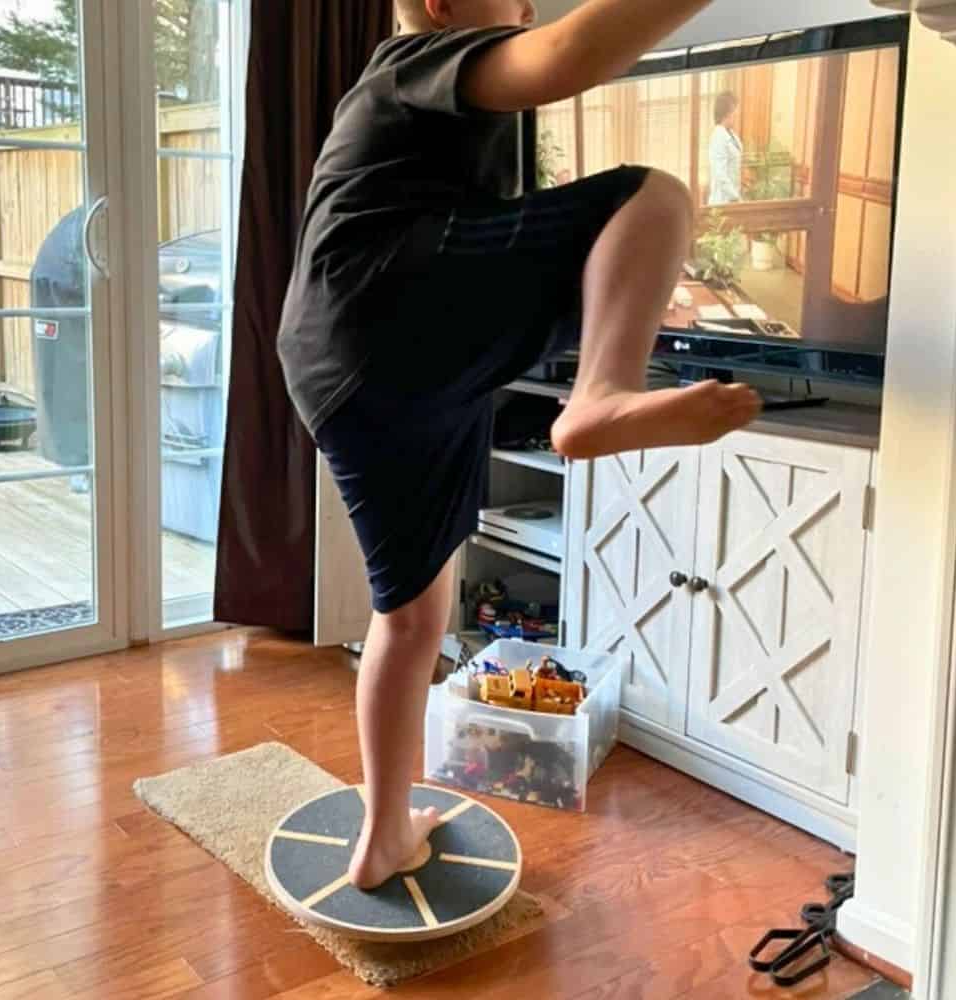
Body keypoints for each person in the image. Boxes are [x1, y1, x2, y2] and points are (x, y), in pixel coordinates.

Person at [277, 0, 762, 891]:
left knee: (414, 615)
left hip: (342, 368)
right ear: (440, 3)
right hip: (383, 317)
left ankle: (386, 832)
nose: (531, 5)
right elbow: (567, 55)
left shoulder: (408, 109)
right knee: (653, 194)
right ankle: (602, 394)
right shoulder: (412, 60)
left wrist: (635, 291)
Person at [708, 90, 743, 205]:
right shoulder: (718, 137)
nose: (737, 114)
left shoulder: (731, 134)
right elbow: (720, 174)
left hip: (731, 198)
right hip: (722, 201)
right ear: (727, 112)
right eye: (736, 110)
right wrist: (736, 198)